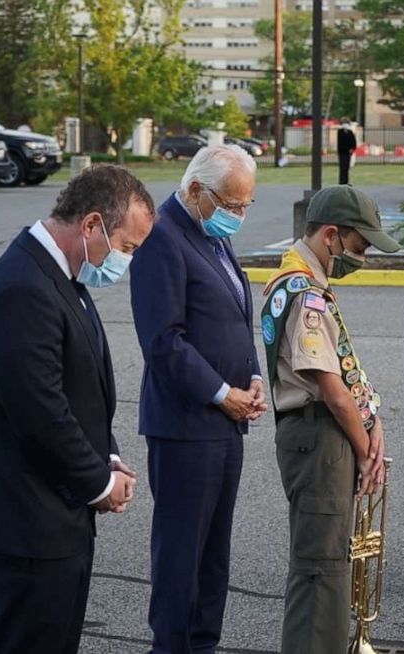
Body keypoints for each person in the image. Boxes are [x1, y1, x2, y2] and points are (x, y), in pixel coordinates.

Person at [0, 164, 155, 653]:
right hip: (19, 529)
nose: (127, 262)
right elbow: (39, 412)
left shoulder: (61, 276)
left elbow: (76, 390)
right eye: (126, 247)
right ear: (90, 225)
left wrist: (106, 455)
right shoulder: (22, 288)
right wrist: (99, 483)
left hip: (51, 519)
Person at [130, 144, 266, 654]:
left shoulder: (210, 235)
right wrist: (220, 392)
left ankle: (203, 644)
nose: (240, 215)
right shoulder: (161, 238)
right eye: (233, 205)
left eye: (246, 205)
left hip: (227, 420)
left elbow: (232, 316)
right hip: (186, 424)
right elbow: (164, 341)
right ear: (194, 191)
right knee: (181, 555)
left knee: (213, 555)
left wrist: (251, 377)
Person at [260, 185, 400, 653]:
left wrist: (372, 417)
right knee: (320, 569)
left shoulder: (311, 283)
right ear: (331, 235)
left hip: (328, 432)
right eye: (359, 248)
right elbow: (329, 387)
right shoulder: (303, 292)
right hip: (320, 436)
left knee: (334, 562)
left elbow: (345, 370)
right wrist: (366, 451)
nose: (361, 259)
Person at [337, 118, 358, 185]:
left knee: (346, 168)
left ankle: (345, 182)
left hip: (347, 152)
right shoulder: (340, 132)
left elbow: (353, 142)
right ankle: (342, 182)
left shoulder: (349, 132)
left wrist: (352, 148)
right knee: (343, 168)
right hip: (343, 152)